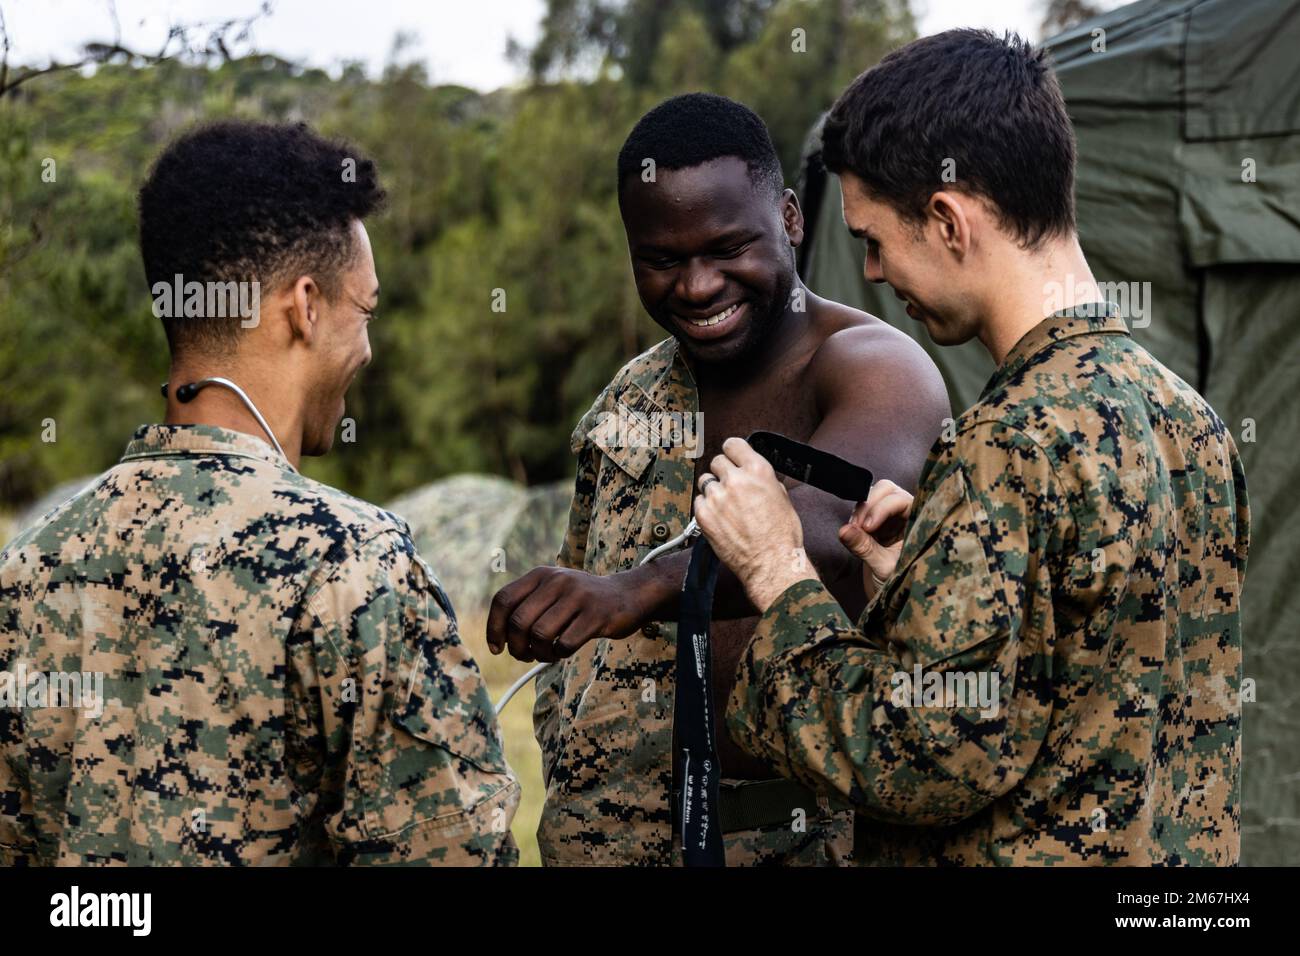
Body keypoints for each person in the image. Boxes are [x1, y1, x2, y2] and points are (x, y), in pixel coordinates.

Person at [693, 30, 1249, 865]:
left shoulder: (1009, 445)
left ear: (948, 220)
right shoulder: (1193, 420)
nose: (874, 274)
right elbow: (1089, 692)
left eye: (876, 240)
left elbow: (920, 758)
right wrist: (923, 583)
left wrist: (778, 574)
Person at [0, 120, 519, 866]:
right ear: (305, 305)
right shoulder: (355, 566)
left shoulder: (27, 568)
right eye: (364, 311)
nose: (368, 347)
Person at [487, 93, 949, 865]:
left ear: (792, 220)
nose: (697, 287)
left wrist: (641, 589)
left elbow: (834, 537)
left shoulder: (875, 368)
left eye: (728, 248)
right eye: (662, 261)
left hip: (785, 844)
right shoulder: (631, 398)